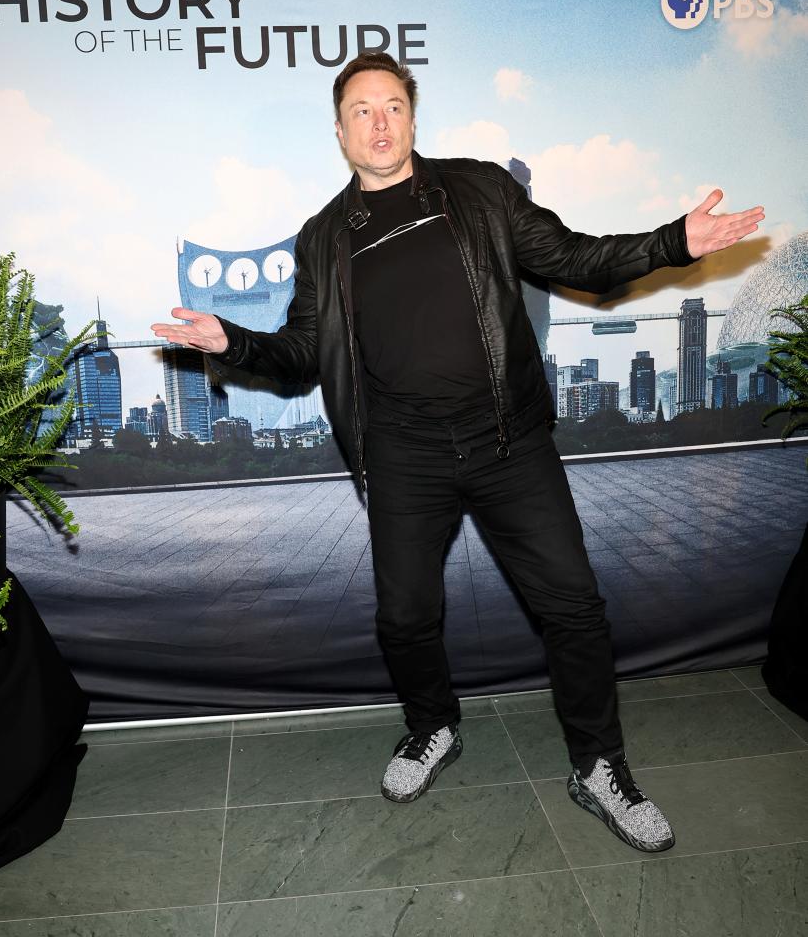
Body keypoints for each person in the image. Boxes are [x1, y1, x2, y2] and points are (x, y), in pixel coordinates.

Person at [152, 52, 764, 854]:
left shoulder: (477, 190)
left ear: (412, 116)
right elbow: (302, 351)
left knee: (573, 606)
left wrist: (671, 240)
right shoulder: (323, 238)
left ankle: (599, 764)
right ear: (339, 131)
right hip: (403, 454)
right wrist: (231, 339)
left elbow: (576, 259)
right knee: (404, 616)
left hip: (507, 439)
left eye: (393, 105)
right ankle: (432, 725)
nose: (379, 121)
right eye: (362, 110)